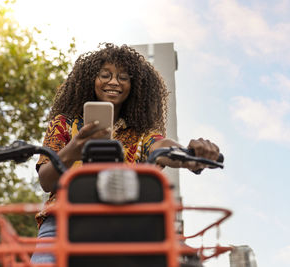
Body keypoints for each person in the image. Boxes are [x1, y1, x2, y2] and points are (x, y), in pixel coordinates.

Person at [31, 43, 220, 263]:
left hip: (126, 224)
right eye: (105, 75)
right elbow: (46, 180)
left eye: (123, 77)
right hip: (62, 222)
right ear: (90, 80)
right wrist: (74, 148)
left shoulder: (141, 134)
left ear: (134, 87)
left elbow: (162, 146)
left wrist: (189, 155)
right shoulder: (63, 125)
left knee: (184, 259)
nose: (113, 82)